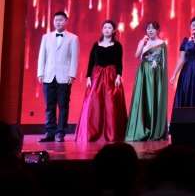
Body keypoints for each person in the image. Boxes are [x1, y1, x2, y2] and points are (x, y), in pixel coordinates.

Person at [76, 20, 128, 143]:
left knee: (111, 103)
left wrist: (118, 76)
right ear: (102, 30)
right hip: (97, 75)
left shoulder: (117, 45)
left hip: (111, 74)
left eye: (109, 28)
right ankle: (92, 133)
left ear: (113, 31)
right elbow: (91, 61)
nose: (107, 29)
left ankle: (112, 133)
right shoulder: (96, 44)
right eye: (105, 27)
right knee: (93, 102)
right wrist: (88, 77)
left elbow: (119, 62)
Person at [37, 10, 79, 142]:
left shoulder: (73, 38)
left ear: (66, 21)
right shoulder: (46, 37)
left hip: (64, 77)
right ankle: (50, 132)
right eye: (56, 20)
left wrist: (72, 74)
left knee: (63, 106)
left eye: (61, 20)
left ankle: (60, 132)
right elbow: (42, 56)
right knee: (49, 106)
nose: (58, 22)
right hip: (48, 76)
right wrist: (40, 73)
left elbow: (74, 58)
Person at [126, 21, 168, 141]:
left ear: (157, 30)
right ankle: (141, 129)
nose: (150, 31)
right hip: (143, 72)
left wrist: (157, 66)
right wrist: (142, 44)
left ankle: (155, 129)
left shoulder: (162, 44)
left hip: (155, 75)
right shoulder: (143, 42)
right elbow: (137, 55)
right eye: (148, 29)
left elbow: (164, 63)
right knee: (142, 98)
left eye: (153, 28)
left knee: (153, 98)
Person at [170, 16, 195, 109]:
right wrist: (174, 75)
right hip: (187, 71)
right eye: (193, 25)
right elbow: (181, 59)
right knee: (185, 91)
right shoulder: (185, 40)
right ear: (190, 27)